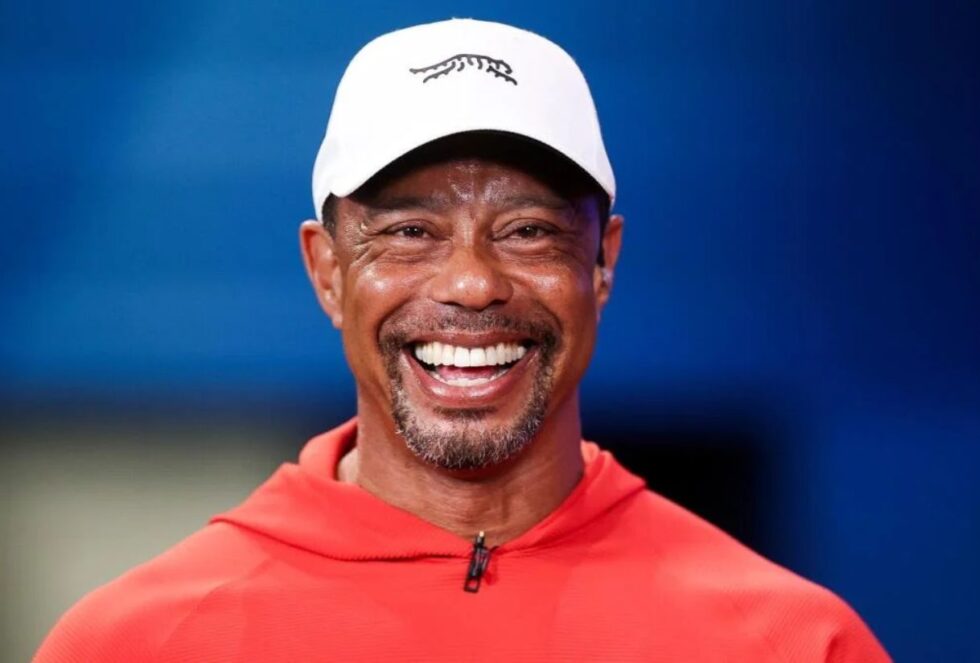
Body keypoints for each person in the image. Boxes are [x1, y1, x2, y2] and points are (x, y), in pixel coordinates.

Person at [35, 18, 890, 662]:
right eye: (409, 232)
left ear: (603, 263)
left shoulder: (791, 641)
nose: (473, 282)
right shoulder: (136, 641)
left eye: (527, 231)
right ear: (327, 270)